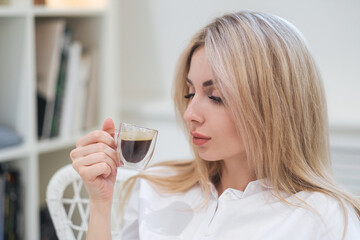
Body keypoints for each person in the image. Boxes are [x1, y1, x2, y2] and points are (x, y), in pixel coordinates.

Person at [70, 11, 360, 240]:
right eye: (189, 93)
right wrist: (99, 205)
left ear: (274, 107)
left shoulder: (327, 219)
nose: (190, 114)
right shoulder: (156, 189)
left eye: (216, 96)